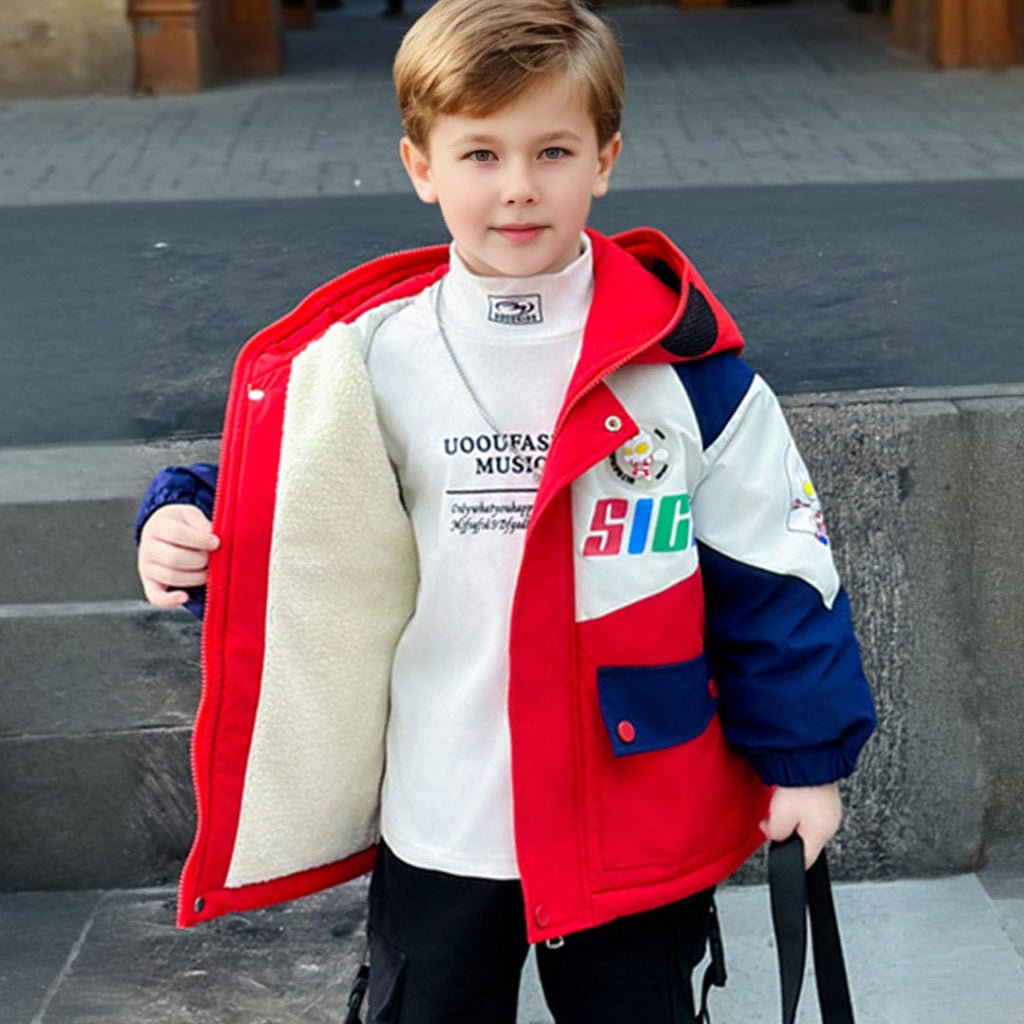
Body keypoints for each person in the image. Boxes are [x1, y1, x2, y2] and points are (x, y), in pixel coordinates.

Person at [134, 2, 876, 1021]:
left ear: (604, 161)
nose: (518, 186)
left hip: (628, 816)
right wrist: (179, 522)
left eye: (553, 150)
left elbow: (778, 573)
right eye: (480, 153)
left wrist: (806, 760)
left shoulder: (687, 365)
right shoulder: (371, 358)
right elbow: (282, 504)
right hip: (442, 809)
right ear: (420, 165)